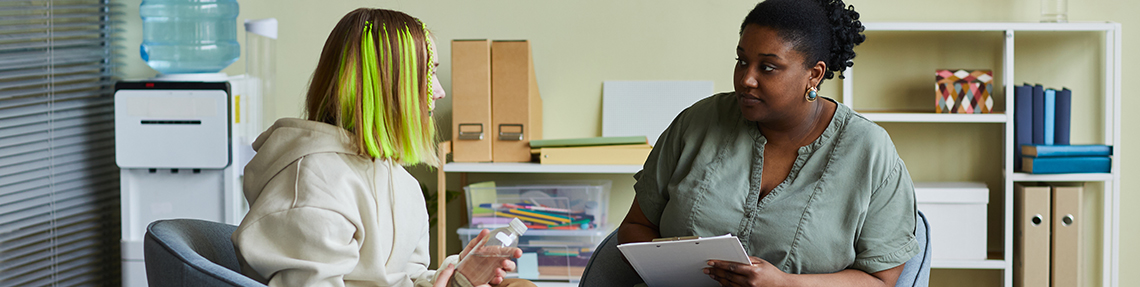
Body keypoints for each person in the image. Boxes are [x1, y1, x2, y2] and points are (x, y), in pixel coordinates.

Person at [617, 0, 919, 286]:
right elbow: (636, 226)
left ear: (814, 75)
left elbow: (882, 279)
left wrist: (786, 283)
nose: (746, 79)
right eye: (742, 61)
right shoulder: (696, 123)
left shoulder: (869, 150)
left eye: (768, 67)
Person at [231, 8, 534, 287]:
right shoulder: (314, 185)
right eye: (429, 75)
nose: (439, 92)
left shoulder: (400, 182)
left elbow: (402, 278)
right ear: (390, 86)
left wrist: (458, 279)